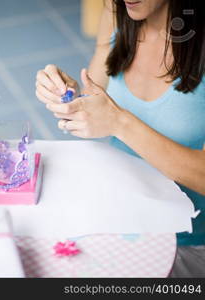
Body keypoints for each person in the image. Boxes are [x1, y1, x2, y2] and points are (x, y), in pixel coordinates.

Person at [35, 0, 204, 277]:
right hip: (123, 217)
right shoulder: (118, 12)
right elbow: (96, 93)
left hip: (189, 244)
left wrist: (120, 122)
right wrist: (66, 94)